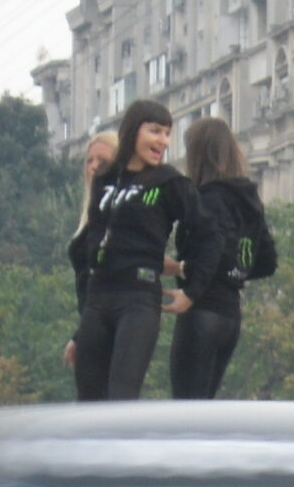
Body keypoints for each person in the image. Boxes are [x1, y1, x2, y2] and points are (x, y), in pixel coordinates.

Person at [68, 101, 225, 402]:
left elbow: (210, 236)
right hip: (98, 299)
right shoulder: (105, 180)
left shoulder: (169, 183)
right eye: (155, 131)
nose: (162, 141)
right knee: (87, 400)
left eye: (167, 134)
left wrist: (191, 291)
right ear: (132, 131)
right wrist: (79, 330)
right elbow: (91, 245)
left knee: (121, 396)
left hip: (137, 300)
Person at [167, 117, 273, 401]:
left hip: (202, 311)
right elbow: (267, 260)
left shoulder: (205, 199)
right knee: (205, 405)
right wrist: (235, 273)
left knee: (186, 406)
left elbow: (217, 247)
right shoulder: (248, 199)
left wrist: (187, 274)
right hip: (230, 316)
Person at [62, 130, 116, 375]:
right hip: (91, 322)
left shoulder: (117, 211)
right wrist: (79, 334)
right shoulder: (90, 213)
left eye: (102, 162)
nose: (93, 167)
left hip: (112, 320)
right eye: (89, 161)